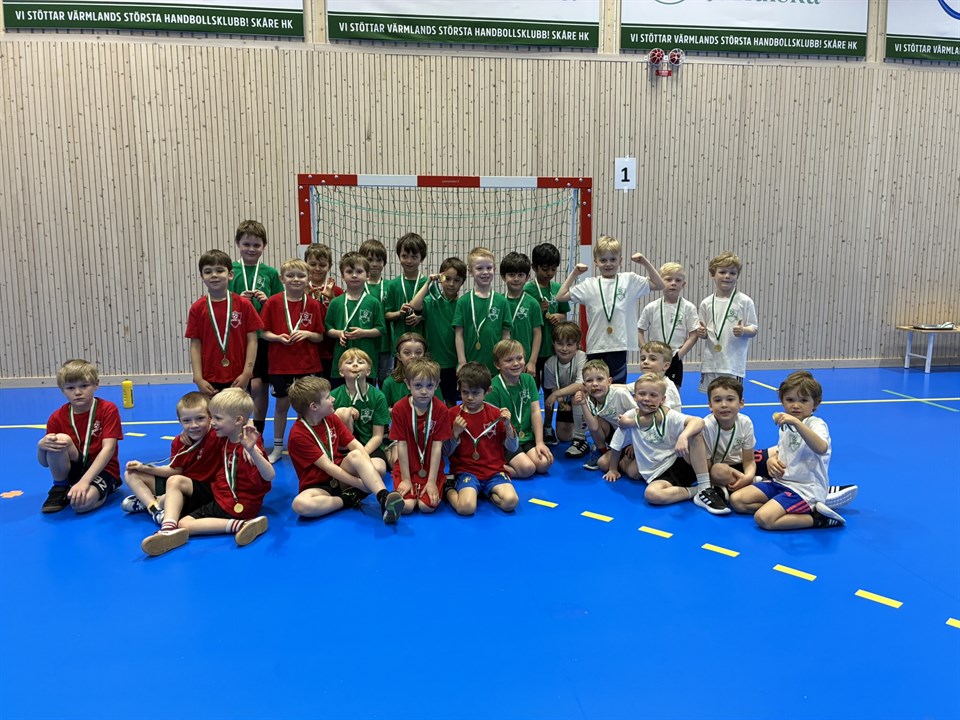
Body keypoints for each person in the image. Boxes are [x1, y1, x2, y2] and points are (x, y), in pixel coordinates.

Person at [140, 388, 273, 556]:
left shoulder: (248, 445)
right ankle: (167, 529)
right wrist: (186, 430)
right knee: (175, 481)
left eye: (217, 418)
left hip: (235, 503)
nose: (213, 422)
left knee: (185, 523)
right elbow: (243, 417)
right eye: (212, 417)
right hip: (219, 492)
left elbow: (269, 475)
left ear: (238, 421)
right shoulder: (225, 436)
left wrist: (252, 450)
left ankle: (242, 524)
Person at [729, 371, 847, 529]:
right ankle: (786, 510)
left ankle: (818, 519)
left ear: (816, 403)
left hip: (804, 489)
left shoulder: (816, 424)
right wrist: (772, 461)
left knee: (764, 519)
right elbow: (784, 451)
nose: (796, 405)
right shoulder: (785, 424)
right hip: (780, 483)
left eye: (803, 400)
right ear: (782, 401)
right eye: (790, 400)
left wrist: (797, 423)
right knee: (737, 501)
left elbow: (821, 448)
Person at [286, 376, 402, 522]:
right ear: (314, 407)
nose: (333, 399)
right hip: (318, 485)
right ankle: (349, 498)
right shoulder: (298, 435)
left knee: (357, 454)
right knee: (300, 505)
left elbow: (355, 445)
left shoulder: (331, 418)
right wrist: (361, 484)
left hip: (341, 473)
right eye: (328, 397)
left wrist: (368, 469)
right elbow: (328, 468)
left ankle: (383, 497)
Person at [556, 235, 664, 384]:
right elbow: (560, 296)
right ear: (596, 262)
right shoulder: (589, 284)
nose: (608, 264)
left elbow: (659, 285)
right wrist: (574, 273)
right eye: (603, 260)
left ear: (620, 260)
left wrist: (644, 262)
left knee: (617, 386)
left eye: (613, 259)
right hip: (596, 345)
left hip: (619, 344)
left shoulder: (629, 280)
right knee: (595, 386)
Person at [602, 373, 714, 512]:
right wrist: (613, 469)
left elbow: (698, 421)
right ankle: (695, 491)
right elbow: (616, 444)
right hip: (658, 474)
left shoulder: (668, 415)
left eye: (653, 395)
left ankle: (705, 488)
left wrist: (683, 436)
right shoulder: (629, 417)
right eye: (642, 394)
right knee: (652, 495)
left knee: (694, 433)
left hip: (680, 463)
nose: (647, 399)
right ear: (634, 397)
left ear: (663, 399)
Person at [259, 258, 325, 462]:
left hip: (307, 364)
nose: (296, 279)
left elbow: (319, 336)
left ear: (308, 278)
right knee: (282, 405)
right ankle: (278, 447)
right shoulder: (272, 302)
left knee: (306, 408)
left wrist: (307, 334)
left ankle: (303, 446)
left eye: (301, 275)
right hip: (281, 365)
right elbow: (263, 332)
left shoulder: (313, 304)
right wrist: (277, 337)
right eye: (290, 275)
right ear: (282, 278)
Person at [38, 359, 124, 514]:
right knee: (60, 439)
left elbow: (109, 449)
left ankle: (105, 489)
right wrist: (41, 447)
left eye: (84, 386)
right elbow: (44, 463)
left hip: (104, 469)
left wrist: (84, 482)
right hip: (75, 468)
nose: (77, 392)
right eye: (70, 388)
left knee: (80, 504)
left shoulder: (107, 409)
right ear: (62, 389)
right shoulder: (56, 417)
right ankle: (60, 486)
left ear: (96, 384)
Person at [122, 391, 219, 525]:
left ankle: (151, 501)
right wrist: (143, 467)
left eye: (200, 418)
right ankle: (155, 508)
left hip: (195, 490)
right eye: (187, 421)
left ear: (210, 417)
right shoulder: (179, 442)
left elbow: (238, 422)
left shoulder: (218, 435)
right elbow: (175, 470)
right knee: (131, 474)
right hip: (176, 482)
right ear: (180, 421)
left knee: (170, 496)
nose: (194, 425)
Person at [443, 362, 519, 515]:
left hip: (494, 472)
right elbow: (445, 452)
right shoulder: (452, 415)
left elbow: (513, 448)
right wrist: (454, 433)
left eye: (475, 393)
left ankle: (487, 493)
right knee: (466, 508)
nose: (470, 397)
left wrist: (508, 426)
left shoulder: (496, 414)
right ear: (459, 389)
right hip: (466, 471)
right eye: (465, 392)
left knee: (511, 502)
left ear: (487, 391)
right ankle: (448, 489)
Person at [229, 220, 283, 434]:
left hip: (262, 337)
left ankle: (257, 431)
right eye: (246, 244)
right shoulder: (230, 271)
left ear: (264, 246)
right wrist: (238, 300)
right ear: (237, 244)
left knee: (260, 387)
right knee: (241, 385)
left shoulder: (270, 273)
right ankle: (237, 427)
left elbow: (281, 305)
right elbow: (222, 301)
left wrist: (267, 301)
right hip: (237, 337)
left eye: (256, 245)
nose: (251, 249)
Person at [185, 249, 262, 395]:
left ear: (230, 274)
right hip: (209, 377)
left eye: (220, 270)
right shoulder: (197, 308)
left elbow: (252, 340)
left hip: (238, 375)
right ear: (202, 277)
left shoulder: (244, 305)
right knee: (214, 410)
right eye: (208, 272)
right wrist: (198, 378)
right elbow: (195, 345)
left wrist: (247, 373)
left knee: (238, 409)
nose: (214, 275)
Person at [389, 358, 451, 514]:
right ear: (408, 384)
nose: (424, 391)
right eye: (418, 385)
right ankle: (391, 501)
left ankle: (436, 484)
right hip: (407, 466)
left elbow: (437, 448)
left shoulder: (441, 410)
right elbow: (401, 444)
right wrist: (406, 479)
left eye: (429, 386)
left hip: (431, 468)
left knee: (426, 507)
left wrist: (431, 481)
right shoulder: (399, 409)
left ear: (437, 385)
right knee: (407, 507)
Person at [485, 339, 553, 478]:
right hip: (506, 441)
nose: (516, 363)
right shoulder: (494, 388)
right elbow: (493, 425)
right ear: (497, 364)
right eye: (509, 360)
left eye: (519, 358)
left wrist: (540, 442)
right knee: (527, 469)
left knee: (544, 464)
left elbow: (535, 412)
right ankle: (492, 467)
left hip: (526, 436)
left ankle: (520, 460)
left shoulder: (528, 380)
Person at [403, 257, 467, 405]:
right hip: (433, 362)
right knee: (432, 401)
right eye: (447, 279)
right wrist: (428, 282)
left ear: (462, 282)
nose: (451, 284)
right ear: (440, 278)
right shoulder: (432, 302)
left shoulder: (463, 304)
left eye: (457, 280)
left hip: (454, 363)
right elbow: (414, 305)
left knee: (451, 401)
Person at [695, 252, 758, 393]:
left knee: (732, 397)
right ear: (713, 275)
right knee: (712, 397)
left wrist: (744, 331)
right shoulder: (706, 303)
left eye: (732, 273)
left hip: (733, 364)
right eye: (722, 272)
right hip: (711, 362)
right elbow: (704, 330)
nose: (727, 276)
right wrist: (702, 333)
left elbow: (754, 329)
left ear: (737, 276)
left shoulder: (745, 301)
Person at [695, 377, 757, 515]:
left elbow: (749, 460)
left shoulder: (746, 422)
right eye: (717, 400)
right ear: (710, 406)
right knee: (718, 470)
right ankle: (754, 483)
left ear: (741, 403)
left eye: (730, 399)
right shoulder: (707, 426)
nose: (724, 405)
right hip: (717, 471)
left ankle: (736, 485)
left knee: (774, 454)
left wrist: (748, 476)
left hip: (738, 467)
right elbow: (707, 467)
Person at [325, 252, 387, 389]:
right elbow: (328, 328)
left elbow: (381, 329)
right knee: (340, 397)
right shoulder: (336, 302)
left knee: (366, 395)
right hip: (342, 360)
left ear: (367, 275)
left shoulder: (373, 302)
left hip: (366, 359)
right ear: (342, 276)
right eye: (349, 272)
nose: (354, 275)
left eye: (359, 271)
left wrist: (363, 333)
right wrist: (338, 333)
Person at [637, 262, 699, 388]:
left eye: (678, 280)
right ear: (660, 282)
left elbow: (694, 334)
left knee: (674, 391)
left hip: (675, 357)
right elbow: (639, 330)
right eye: (668, 279)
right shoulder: (651, 307)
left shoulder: (688, 308)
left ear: (683, 284)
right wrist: (645, 351)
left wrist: (680, 354)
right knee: (652, 389)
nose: (673, 283)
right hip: (654, 358)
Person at [453, 246, 512, 374]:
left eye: (489, 268)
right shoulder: (463, 302)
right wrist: (462, 361)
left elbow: (506, 335)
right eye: (479, 268)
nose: (485, 272)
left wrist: (504, 360)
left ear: (494, 269)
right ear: (470, 271)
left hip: (495, 366)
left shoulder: (502, 301)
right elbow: (459, 334)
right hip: (470, 365)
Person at [331, 348, 390, 476]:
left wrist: (363, 454)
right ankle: (349, 467)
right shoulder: (333, 396)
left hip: (369, 445)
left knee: (379, 469)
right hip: (344, 448)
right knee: (342, 412)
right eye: (349, 362)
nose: (355, 365)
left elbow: (377, 436)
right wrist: (345, 412)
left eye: (360, 362)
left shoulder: (378, 396)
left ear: (368, 371)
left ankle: (347, 476)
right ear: (341, 372)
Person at [574, 359, 637, 472]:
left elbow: (639, 417)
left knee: (631, 471)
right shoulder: (589, 399)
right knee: (603, 464)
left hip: (632, 436)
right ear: (584, 385)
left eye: (600, 379)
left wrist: (635, 443)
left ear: (609, 381)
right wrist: (583, 404)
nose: (594, 384)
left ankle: (626, 457)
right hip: (616, 437)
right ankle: (602, 451)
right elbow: (593, 427)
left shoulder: (620, 394)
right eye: (589, 380)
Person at [524, 242, 570, 389]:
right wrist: (538, 310)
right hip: (533, 350)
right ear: (534, 267)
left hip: (553, 348)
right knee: (532, 386)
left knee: (552, 387)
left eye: (553, 269)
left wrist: (559, 317)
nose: (549, 273)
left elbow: (564, 314)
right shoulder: (527, 290)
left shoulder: (558, 289)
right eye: (545, 269)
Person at [541, 321, 590, 458]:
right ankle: (583, 426)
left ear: (577, 345)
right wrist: (561, 402)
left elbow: (581, 385)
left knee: (578, 396)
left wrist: (557, 394)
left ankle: (581, 438)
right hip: (565, 399)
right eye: (560, 344)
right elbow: (553, 387)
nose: (564, 348)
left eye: (569, 344)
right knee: (564, 437)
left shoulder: (581, 356)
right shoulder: (550, 363)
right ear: (553, 343)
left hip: (582, 397)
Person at [500, 251, 543, 377]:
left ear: (527, 277)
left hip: (524, 363)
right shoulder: (498, 302)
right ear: (503, 277)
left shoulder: (532, 303)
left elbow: (537, 333)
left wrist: (532, 362)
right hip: (503, 361)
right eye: (511, 275)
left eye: (520, 275)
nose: (516, 279)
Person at [384, 232, 429, 350]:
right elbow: (386, 315)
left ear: (422, 258)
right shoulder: (393, 285)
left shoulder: (428, 284)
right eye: (404, 256)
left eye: (414, 257)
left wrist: (420, 317)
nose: (409, 261)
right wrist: (399, 313)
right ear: (399, 256)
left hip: (423, 345)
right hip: (399, 345)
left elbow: (435, 313)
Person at [305, 243, 343, 381]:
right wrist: (306, 298)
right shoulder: (299, 291)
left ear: (329, 266)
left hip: (331, 349)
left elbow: (342, 318)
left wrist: (332, 299)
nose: (317, 268)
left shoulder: (337, 291)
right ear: (305, 264)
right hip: (308, 350)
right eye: (312, 264)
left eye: (322, 265)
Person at [359, 238, 393, 383]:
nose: (374, 264)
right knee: (366, 381)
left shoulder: (390, 286)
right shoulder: (357, 287)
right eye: (369, 259)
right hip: (366, 344)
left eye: (379, 260)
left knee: (386, 381)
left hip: (386, 344)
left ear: (384, 262)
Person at [638, 341, 682, 411]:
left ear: (665, 366)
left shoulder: (667, 388)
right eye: (643, 359)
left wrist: (633, 417)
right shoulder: (645, 380)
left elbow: (663, 414)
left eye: (653, 359)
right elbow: (629, 387)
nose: (645, 362)